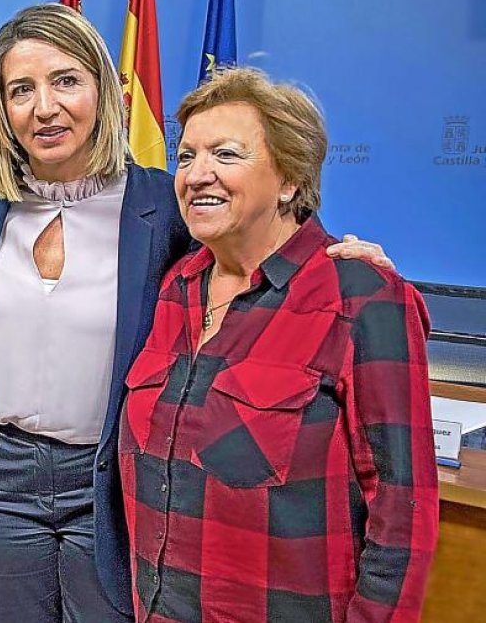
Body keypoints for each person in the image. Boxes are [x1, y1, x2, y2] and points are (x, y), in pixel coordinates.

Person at [0, 3, 394, 622]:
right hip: (1, 480)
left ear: (104, 91)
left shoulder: (162, 204)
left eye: (65, 81)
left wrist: (338, 250)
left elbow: (253, 246)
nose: (44, 107)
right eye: (20, 90)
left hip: (104, 481)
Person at [119, 67, 438, 621]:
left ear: (290, 178)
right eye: (187, 155)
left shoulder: (363, 298)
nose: (197, 174)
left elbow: (402, 510)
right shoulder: (176, 287)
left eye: (226, 153)